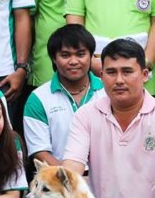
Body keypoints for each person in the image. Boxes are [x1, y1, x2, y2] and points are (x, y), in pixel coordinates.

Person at [62, 38, 155, 198]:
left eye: (127, 71)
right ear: (101, 76)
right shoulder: (85, 116)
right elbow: (73, 165)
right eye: (111, 72)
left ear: (145, 75)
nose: (119, 80)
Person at [24, 25, 105, 165]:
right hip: (61, 176)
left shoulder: (108, 92)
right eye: (65, 55)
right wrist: (72, 175)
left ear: (91, 56)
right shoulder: (38, 98)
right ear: (54, 59)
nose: (73, 61)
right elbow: (40, 151)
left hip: (107, 175)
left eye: (80, 54)